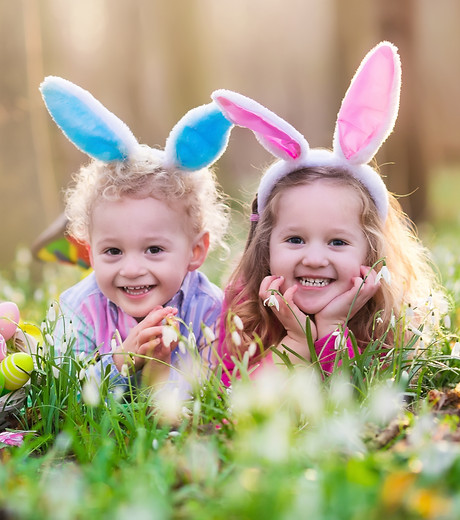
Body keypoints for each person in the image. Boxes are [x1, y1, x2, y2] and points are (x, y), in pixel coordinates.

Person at [211, 42, 445, 382]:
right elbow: (237, 404)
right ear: (265, 245)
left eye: (337, 242)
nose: (315, 258)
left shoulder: (388, 319)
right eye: (294, 239)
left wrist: (332, 327)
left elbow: (358, 405)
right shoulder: (244, 309)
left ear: (372, 250)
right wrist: (296, 340)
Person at [40, 76, 234, 394]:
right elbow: (62, 394)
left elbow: (221, 387)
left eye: (154, 249)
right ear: (89, 250)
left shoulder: (210, 309)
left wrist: (169, 374)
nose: (130, 269)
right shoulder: (81, 308)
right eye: (113, 251)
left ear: (196, 251)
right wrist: (121, 363)